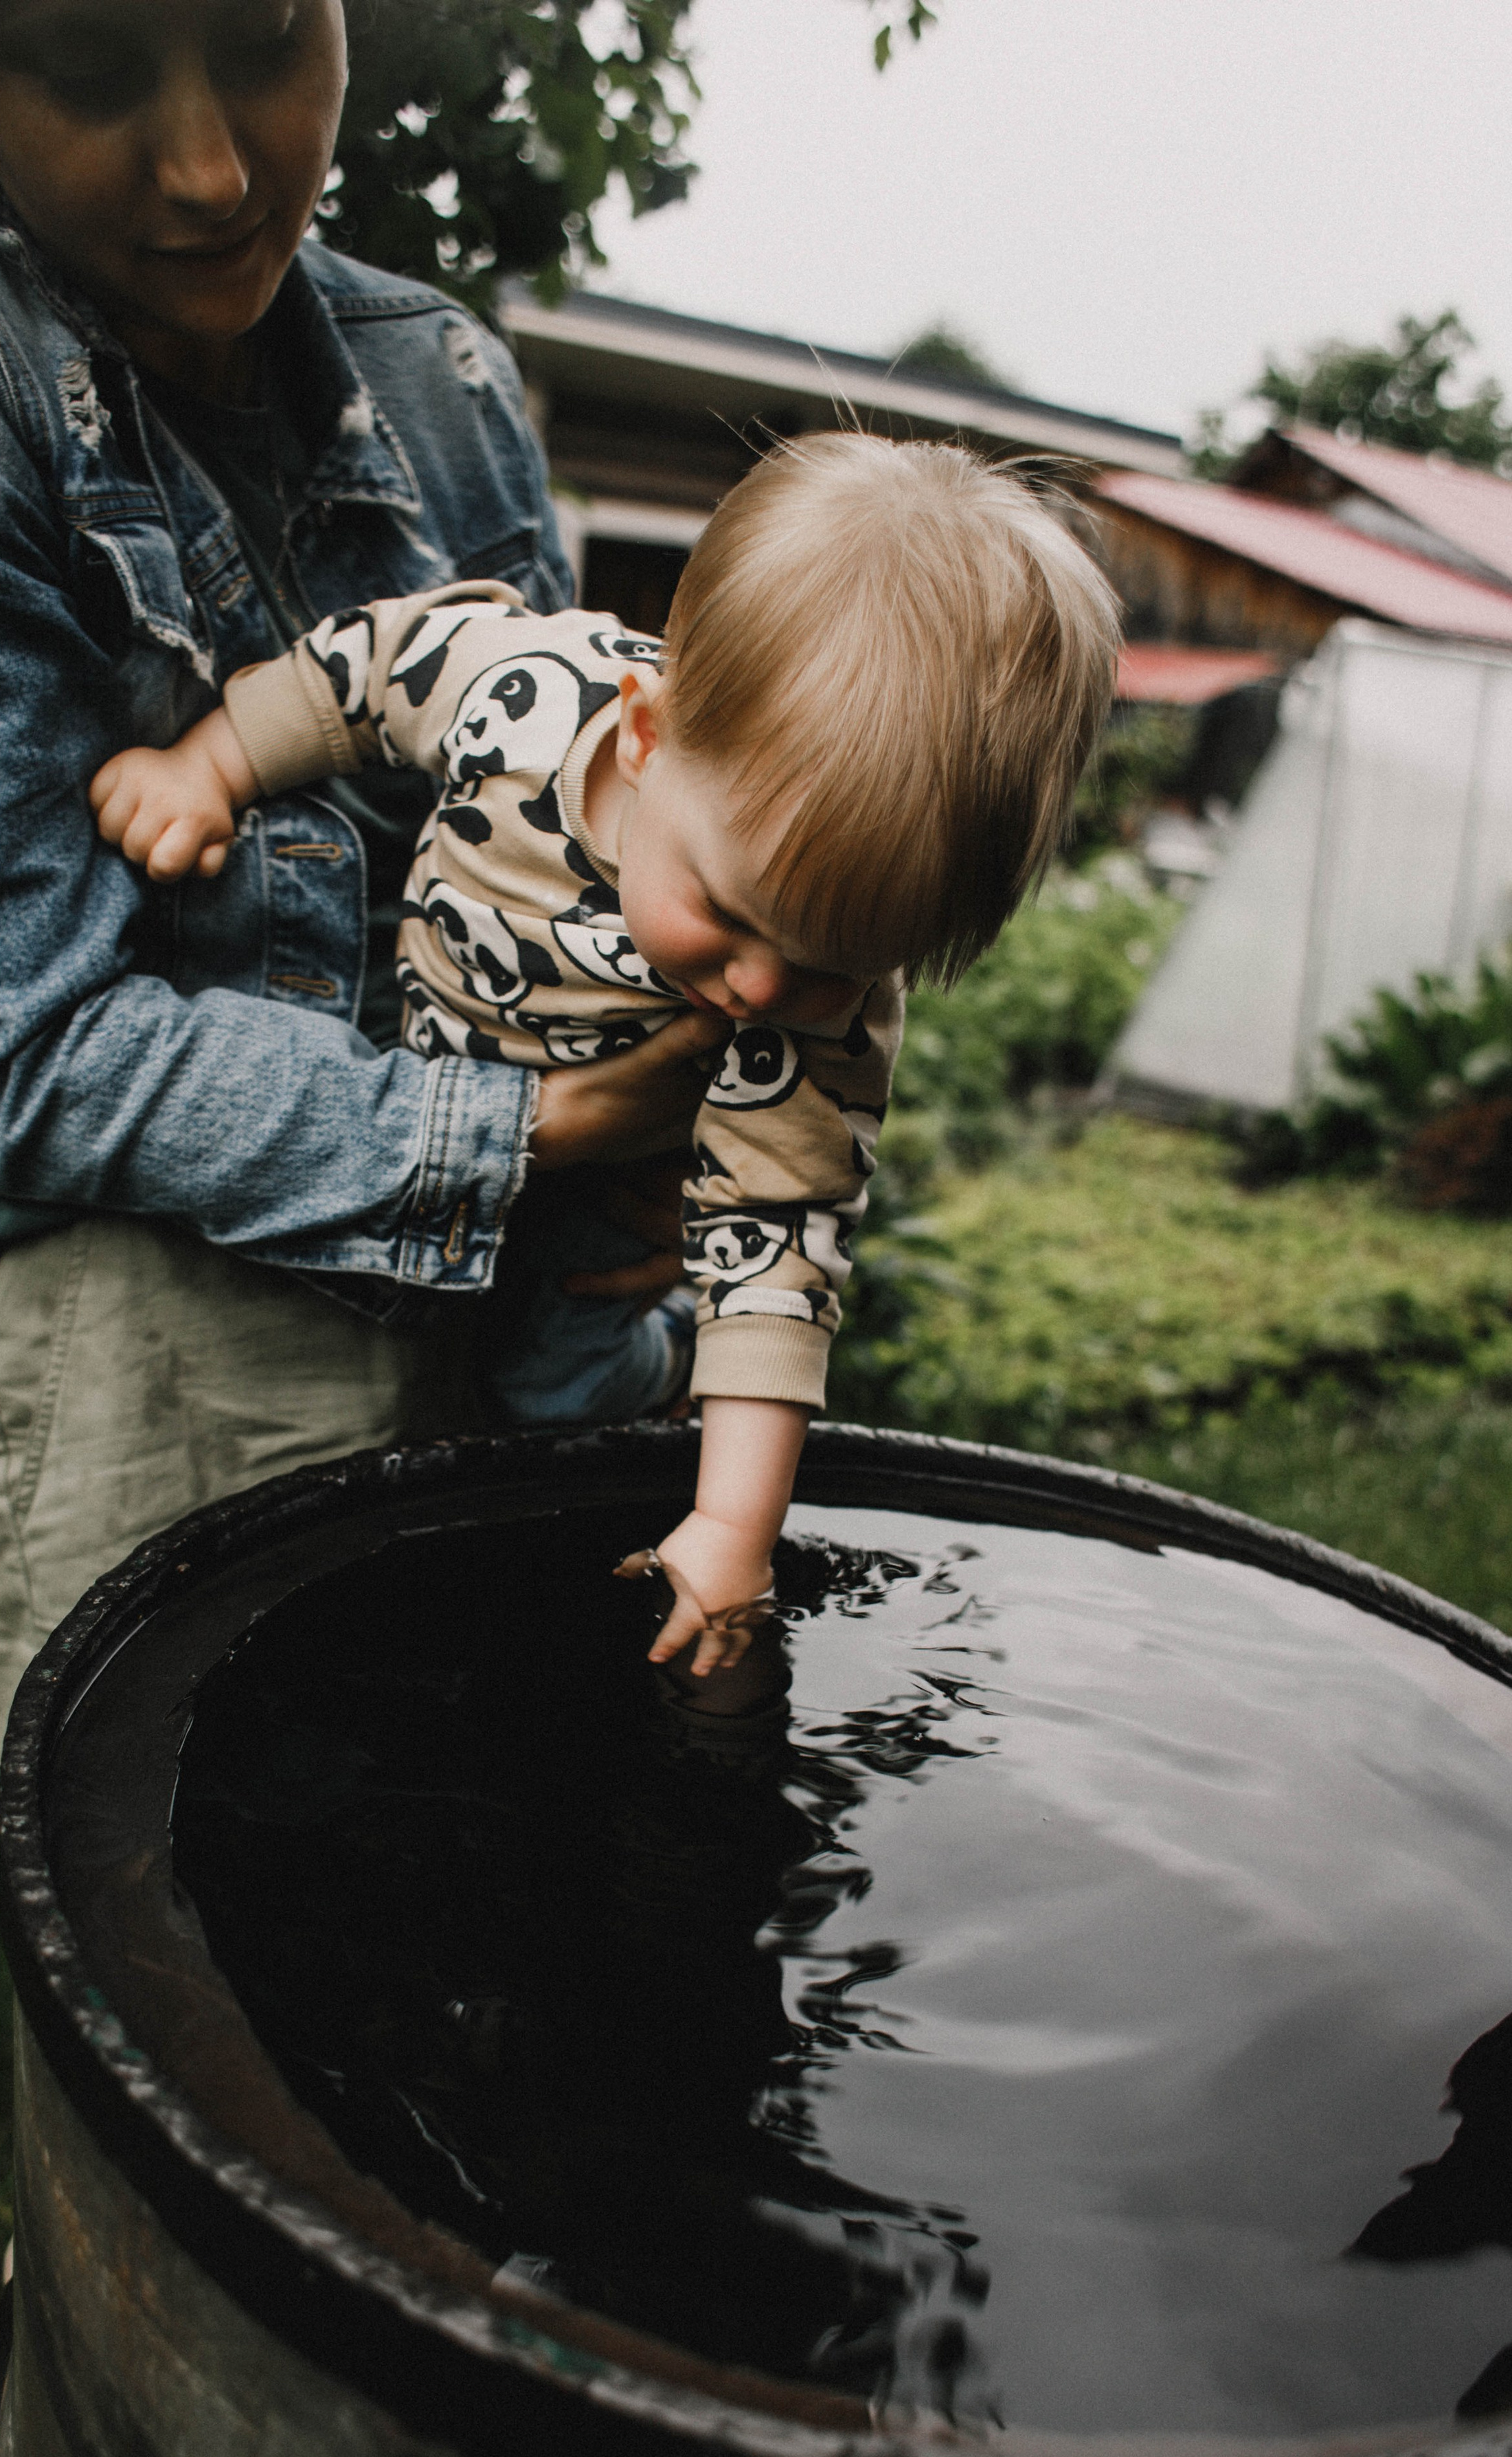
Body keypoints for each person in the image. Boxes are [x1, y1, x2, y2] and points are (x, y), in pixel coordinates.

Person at [0, 0, 722, 1901]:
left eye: (272, 38)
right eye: (91, 69)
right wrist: (522, 1136)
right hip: (137, 1341)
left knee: (477, 1940)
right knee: (189, 1994)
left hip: (492, 1274)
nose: (211, 166)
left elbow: (551, 835)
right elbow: (11, 1051)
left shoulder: (438, 375)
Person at [90, 434, 1121, 1672]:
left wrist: (735, 1526)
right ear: (646, 732)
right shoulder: (523, 696)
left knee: (561, 1392)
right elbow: (358, 679)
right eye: (731, 915)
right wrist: (208, 766)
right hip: (432, 1088)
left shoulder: (816, 1011)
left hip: (608, 1198)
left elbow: (782, 1245)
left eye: (836, 962)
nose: (758, 988)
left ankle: (664, 1371)